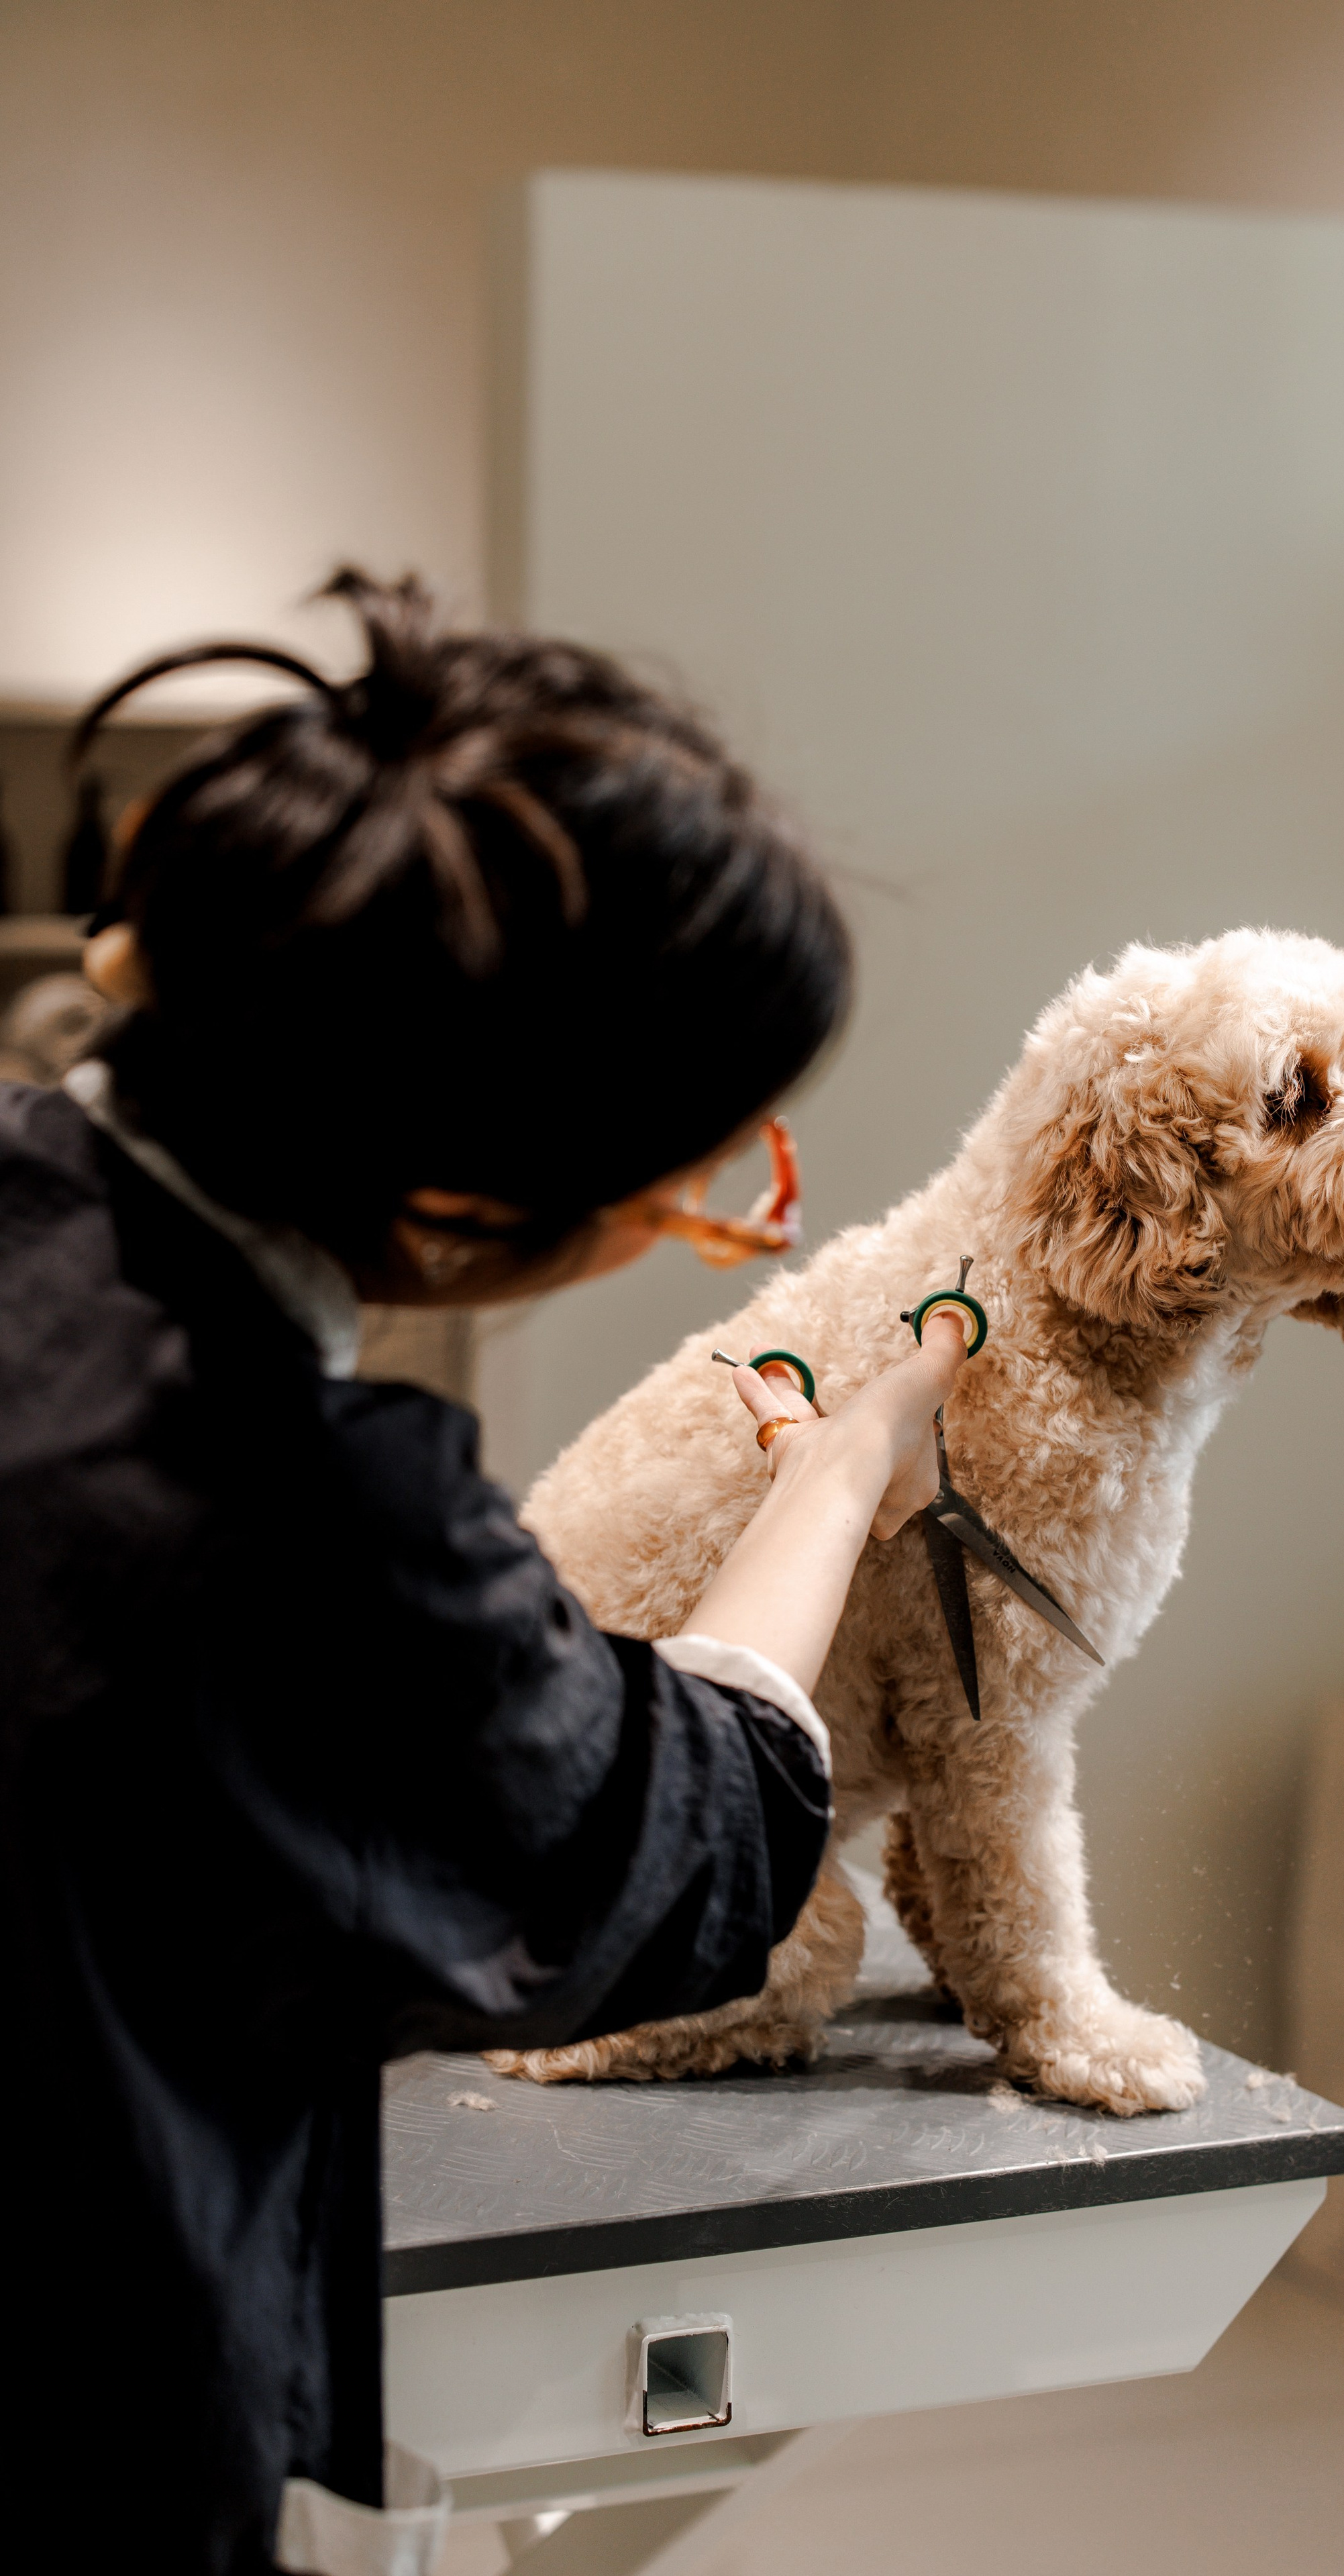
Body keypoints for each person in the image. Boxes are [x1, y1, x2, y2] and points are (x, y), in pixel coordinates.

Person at [0, 571, 968, 2576]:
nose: (709, 1219)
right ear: (457, 1205)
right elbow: (676, 1835)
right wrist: (848, 1463)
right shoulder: (299, 1510)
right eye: (699, 1186)